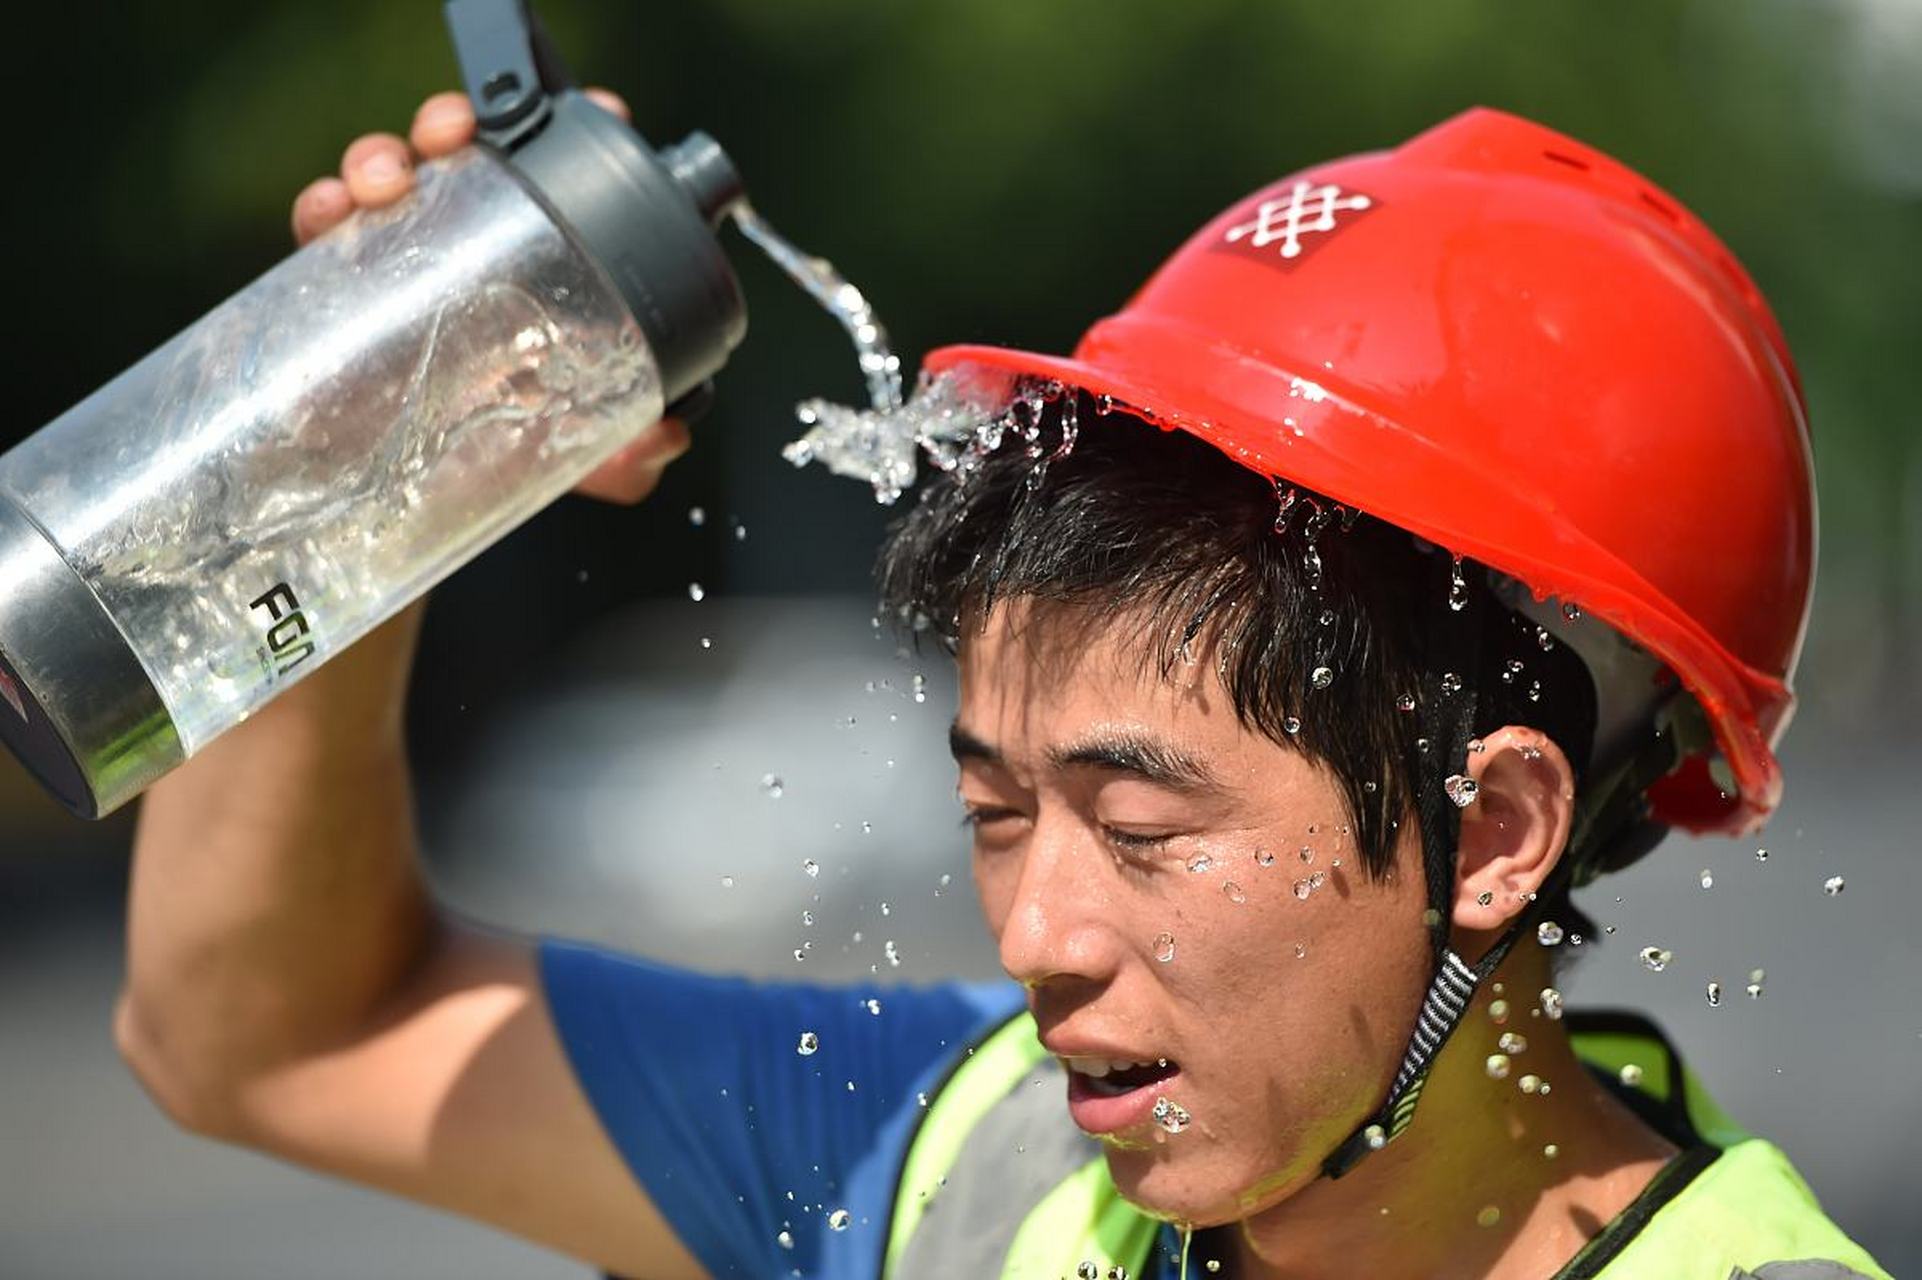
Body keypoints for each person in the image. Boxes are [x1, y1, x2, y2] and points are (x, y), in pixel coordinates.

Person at [112, 88, 1892, 1280]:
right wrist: (342, 479)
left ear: (1492, 829)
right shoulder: (962, 1160)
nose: (1032, 931)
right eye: (991, 810)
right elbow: (272, 1031)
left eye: (1138, 825)